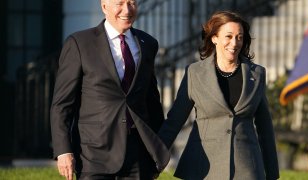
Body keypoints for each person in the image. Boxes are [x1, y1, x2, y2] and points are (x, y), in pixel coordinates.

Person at [50, 0, 170, 179]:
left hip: (139, 153)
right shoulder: (80, 43)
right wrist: (63, 151)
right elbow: (62, 104)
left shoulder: (148, 44)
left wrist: (159, 149)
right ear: (104, 6)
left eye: (132, 3)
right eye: (119, 3)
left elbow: (152, 102)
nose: (127, 10)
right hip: (93, 154)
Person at [158, 11, 280, 180]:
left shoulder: (257, 74)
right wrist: (154, 162)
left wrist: (272, 173)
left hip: (246, 168)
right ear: (214, 38)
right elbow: (174, 121)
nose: (234, 43)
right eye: (228, 36)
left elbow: (265, 128)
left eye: (239, 37)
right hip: (202, 168)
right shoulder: (195, 73)